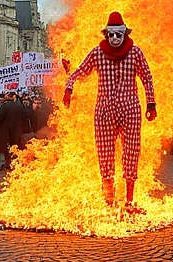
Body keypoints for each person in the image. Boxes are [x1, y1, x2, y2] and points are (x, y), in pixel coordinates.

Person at [63, 11, 156, 213]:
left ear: (124, 34)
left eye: (118, 35)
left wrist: (151, 103)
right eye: (111, 35)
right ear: (106, 35)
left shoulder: (136, 52)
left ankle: (130, 201)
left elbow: (147, 77)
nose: (114, 38)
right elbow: (81, 71)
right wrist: (69, 86)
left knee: (131, 153)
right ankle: (108, 200)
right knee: (105, 154)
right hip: (104, 111)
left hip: (130, 109)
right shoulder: (97, 53)